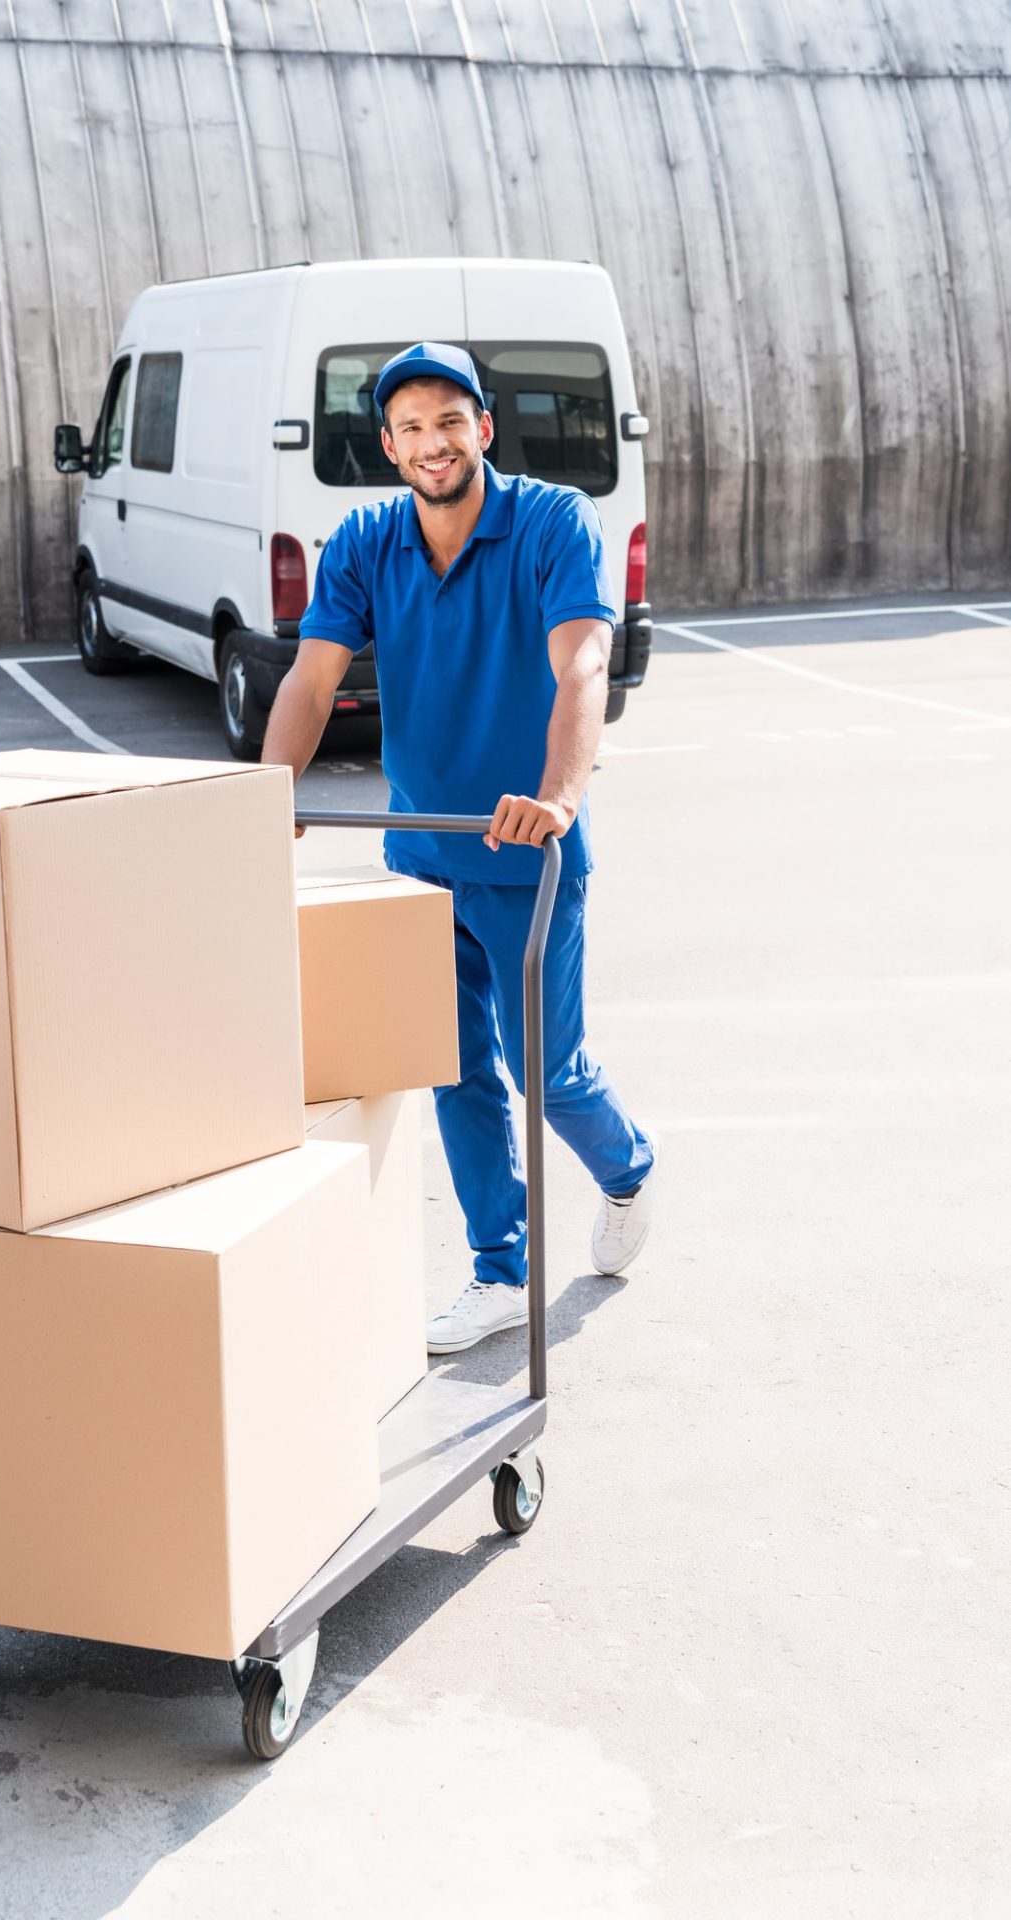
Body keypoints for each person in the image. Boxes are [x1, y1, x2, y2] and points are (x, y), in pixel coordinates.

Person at [263, 342, 658, 1354]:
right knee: (454, 1069)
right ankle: (499, 1271)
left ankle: (627, 1169)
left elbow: (583, 665)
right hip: (423, 854)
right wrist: (269, 790)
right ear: (389, 447)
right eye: (411, 428)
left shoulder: (553, 521)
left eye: (449, 421)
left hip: (527, 857)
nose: (432, 442)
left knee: (546, 1073)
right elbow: (312, 679)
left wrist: (558, 796)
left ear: (482, 428)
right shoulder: (365, 541)